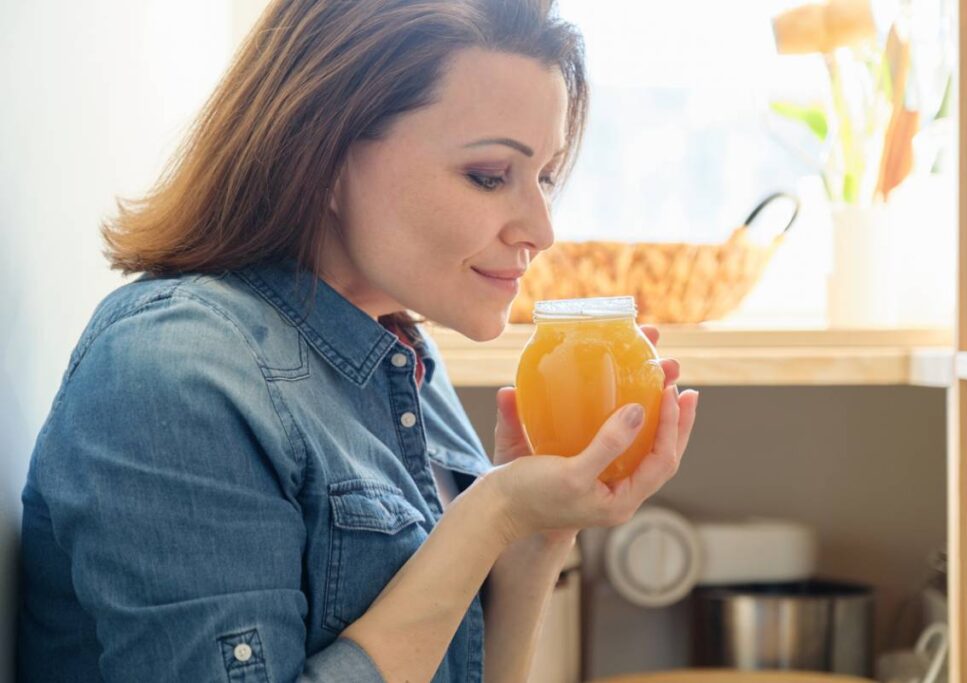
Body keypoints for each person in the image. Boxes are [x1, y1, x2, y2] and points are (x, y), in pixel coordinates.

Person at [17, 1, 699, 681]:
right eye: (491, 175)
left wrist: (539, 535)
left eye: (544, 176)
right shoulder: (171, 373)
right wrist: (491, 513)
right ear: (326, 154)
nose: (541, 228)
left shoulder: (402, 359)